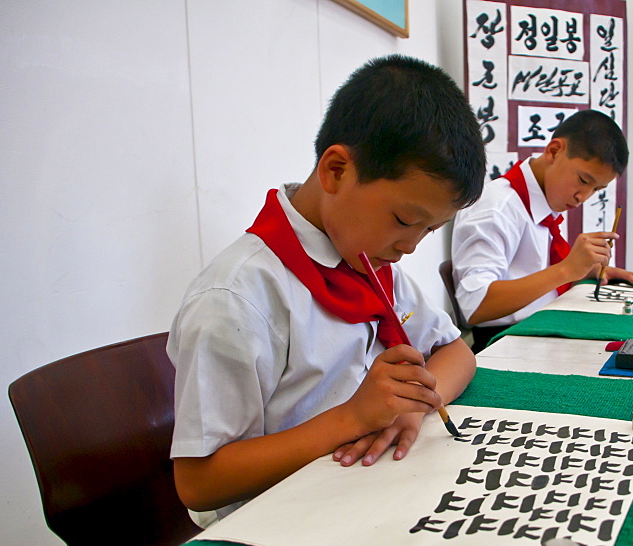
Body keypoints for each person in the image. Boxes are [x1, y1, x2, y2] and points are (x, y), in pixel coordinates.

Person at [166, 55, 486, 518]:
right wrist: (353, 418)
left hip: (362, 496)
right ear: (336, 171)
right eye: (404, 221)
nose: (411, 247)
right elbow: (198, 483)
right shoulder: (238, 298)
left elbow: (457, 353)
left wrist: (411, 407)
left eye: (429, 230)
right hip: (275, 527)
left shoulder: (368, 262)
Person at [451, 109, 633, 351]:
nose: (582, 197)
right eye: (584, 181)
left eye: (596, 189)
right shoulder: (496, 208)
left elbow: (530, 269)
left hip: (537, 329)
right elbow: (475, 306)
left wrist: (588, 269)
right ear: (554, 151)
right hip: (504, 343)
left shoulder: (543, 203)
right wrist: (566, 270)